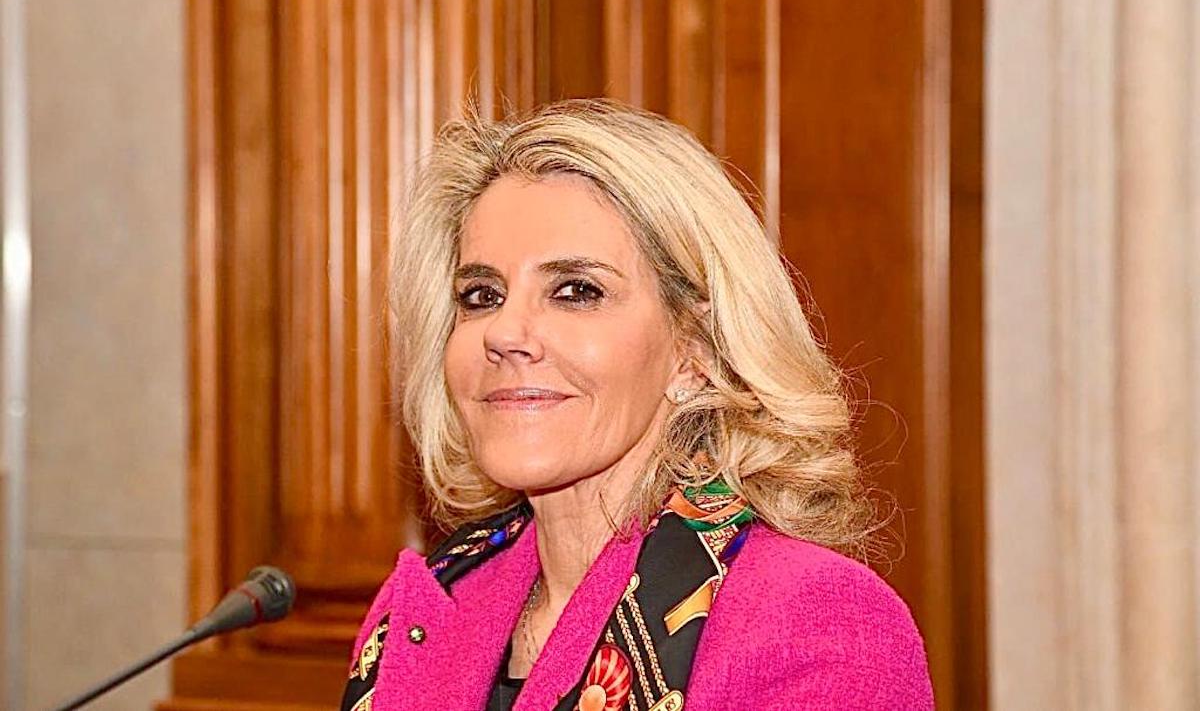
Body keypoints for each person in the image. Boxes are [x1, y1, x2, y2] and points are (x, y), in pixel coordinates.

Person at [340, 99, 933, 711]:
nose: (505, 332)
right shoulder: (431, 605)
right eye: (481, 295)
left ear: (695, 350)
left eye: (576, 291)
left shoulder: (811, 623)